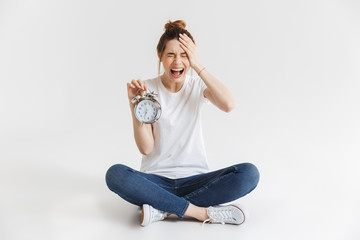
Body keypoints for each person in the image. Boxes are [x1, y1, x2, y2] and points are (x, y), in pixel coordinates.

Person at [105, 20, 260, 227]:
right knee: (115, 174)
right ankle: (199, 212)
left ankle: (164, 210)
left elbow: (228, 104)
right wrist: (135, 105)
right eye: (170, 55)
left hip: (196, 180)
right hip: (156, 182)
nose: (177, 62)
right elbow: (146, 147)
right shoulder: (147, 89)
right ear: (160, 56)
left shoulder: (197, 86)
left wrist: (197, 64)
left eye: (184, 55)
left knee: (249, 174)